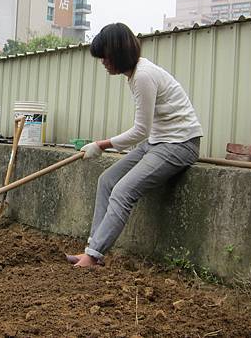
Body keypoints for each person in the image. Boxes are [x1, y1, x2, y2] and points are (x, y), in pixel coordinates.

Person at [67, 23, 203, 268]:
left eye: (105, 57)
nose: (103, 63)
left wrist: (101, 144)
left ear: (118, 53)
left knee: (123, 191)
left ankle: (94, 255)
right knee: (106, 181)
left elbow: (141, 130)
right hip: (158, 142)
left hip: (179, 144)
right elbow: (147, 134)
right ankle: (92, 248)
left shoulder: (143, 76)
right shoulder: (135, 74)